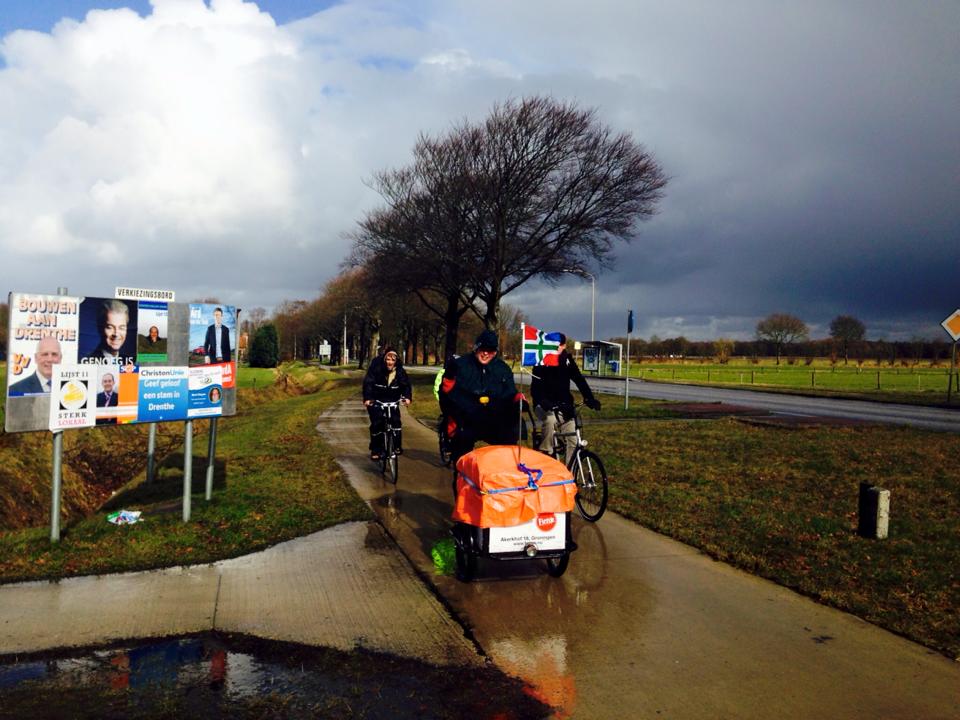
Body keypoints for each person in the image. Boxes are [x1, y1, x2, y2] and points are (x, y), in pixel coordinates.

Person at [441, 330, 527, 464]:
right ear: (476, 348)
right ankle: (461, 477)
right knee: (462, 457)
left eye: (490, 350)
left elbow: (510, 392)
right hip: (467, 418)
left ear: (495, 352)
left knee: (509, 438)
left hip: (493, 418)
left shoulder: (502, 368)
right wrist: (453, 414)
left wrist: (518, 399)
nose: (486, 353)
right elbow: (447, 392)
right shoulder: (461, 365)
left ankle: (502, 475)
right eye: (483, 348)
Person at [531, 333, 601, 462]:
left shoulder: (568, 361)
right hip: (544, 405)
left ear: (564, 346)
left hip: (564, 405)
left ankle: (569, 473)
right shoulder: (540, 361)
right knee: (550, 419)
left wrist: (589, 398)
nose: (555, 348)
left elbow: (579, 380)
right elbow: (535, 388)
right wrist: (543, 401)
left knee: (573, 440)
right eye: (552, 346)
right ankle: (546, 453)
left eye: (558, 345)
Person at [362, 347, 412, 460]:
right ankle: (376, 449)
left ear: (396, 361)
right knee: (377, 423)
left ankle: (397, 446)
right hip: (377, 399)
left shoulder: (400, 371)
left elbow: (406, 385)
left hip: (392, 400)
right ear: (384, 359)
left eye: (392, 360)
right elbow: (368, 383)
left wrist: (407, 397)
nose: (390, 362)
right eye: (388, 359)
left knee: (396, 422)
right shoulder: (376, 368)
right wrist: (368, 398)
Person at [83, 299, 133, 363]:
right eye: (110, 327)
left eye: (121, 328)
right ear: (100, 328)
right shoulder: (88, 362)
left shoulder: (129, 362)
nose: (116, 334)